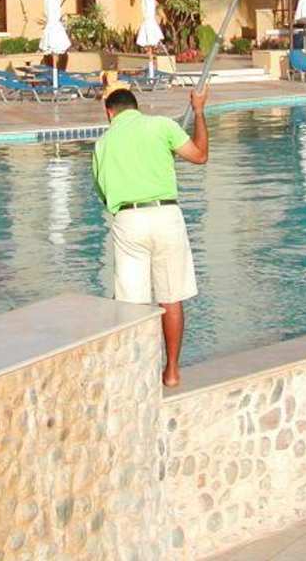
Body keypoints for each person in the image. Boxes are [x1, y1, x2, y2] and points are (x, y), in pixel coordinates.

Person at [91, 84, 208, 387]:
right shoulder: (161, 126)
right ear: (136, 107)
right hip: (165, 214)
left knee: (132, 305)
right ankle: (171, 372)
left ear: (109, 112)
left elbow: (103, 194)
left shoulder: (102, 144)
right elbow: (200, 155)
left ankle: (139, 374)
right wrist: (198, 110)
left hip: (128, 218)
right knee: (171, 297)